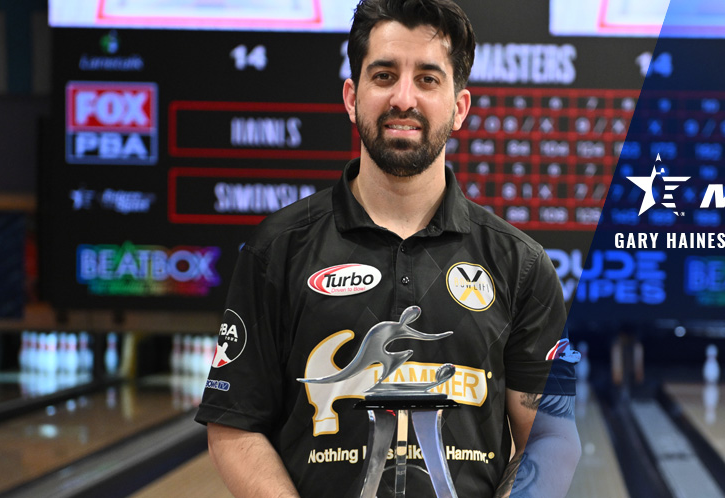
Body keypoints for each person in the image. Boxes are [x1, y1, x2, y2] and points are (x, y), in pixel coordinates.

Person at [194, 1, 581, 496]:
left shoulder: (520, 264)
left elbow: (550, 438)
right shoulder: (278, 250)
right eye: (383, 76)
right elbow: (233, 427)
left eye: (427, 79)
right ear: (351, 97)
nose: (403, 98)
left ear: (459, 107)